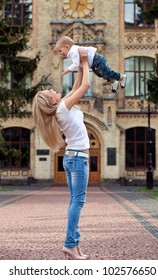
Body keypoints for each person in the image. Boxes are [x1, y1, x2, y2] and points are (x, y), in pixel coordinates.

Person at [32, 48, 90, 260]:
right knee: (78, 202)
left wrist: (77, 66)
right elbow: (85, 86)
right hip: (78, 158)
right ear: (53, 101)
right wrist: (85, 61)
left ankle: (74, 244)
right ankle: (68, 244)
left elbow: (76, 85)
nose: (51, 89)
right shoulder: (62, 108)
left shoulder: (62, 107)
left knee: (75, 201)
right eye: (50, 92)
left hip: (72, 157)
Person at [55, 35, 127, 93]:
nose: (60, 53)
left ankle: (122, 77)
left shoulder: (73, 52)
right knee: (100, 75)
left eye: (60, 50)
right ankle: (114, 81)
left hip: (97, 60)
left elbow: (76, 64)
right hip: (94, 64)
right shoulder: (72, 53)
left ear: (67, 47)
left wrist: (67, 70)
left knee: (107, 72)